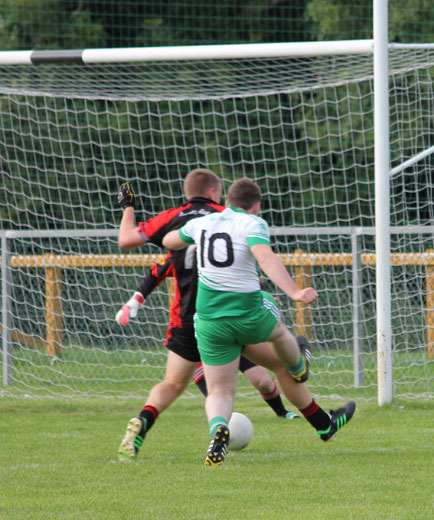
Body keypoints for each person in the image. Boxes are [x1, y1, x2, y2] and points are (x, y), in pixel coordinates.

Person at [163, 177, 356, 466]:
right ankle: (299, 365)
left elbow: (168, 240)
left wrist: (181, 234)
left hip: (209, 321)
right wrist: (294, 291)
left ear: (227, 201)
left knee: (220, 390)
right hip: (248, 314)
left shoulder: (202, 224)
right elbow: (264, 258)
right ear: (256, 206)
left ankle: (220, 429)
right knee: (280, 334)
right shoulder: (253, 223)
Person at [117, 168, 226, 462]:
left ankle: (142, 420)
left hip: (186, 318)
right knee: (262, 361)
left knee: (174, 384)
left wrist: (128, 205)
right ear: (214, 193)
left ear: (188, 192)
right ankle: (224, 427)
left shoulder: (170, 218)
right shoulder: (227, 215)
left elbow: (126, 239)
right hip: (225, 314)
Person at [116, 260, 300, 419]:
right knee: (216, 395)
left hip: (228, 330)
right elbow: (156, 272)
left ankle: (282, 412)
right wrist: (136, 300)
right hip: (196, 338)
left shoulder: (224, 258)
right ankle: (223, 428)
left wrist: (265, 296)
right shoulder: (182, 254)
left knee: (264, 382)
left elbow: (250, 282)